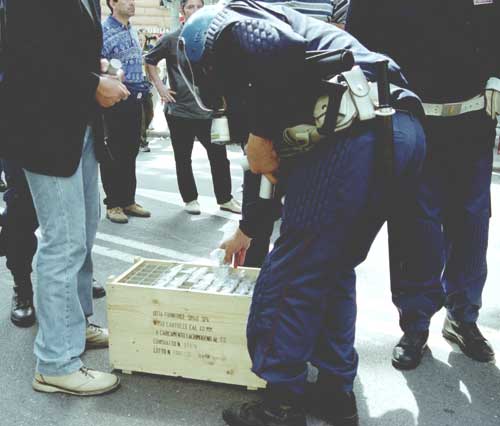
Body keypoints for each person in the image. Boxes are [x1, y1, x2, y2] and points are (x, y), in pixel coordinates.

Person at [178, 1, 426, 425]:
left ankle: (281, 406)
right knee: (330, 266)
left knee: (291, 273)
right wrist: (249, 228)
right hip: (401, 132)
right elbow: (270, 174)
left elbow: (277, 55)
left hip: (357, 135)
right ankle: (334, 393)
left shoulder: (232, 26)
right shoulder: (286, 83)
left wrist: (257, 136)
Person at [346, 0, 500, 370]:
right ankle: (415, 323)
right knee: (416, 225)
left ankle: (463, 317)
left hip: (474, 117)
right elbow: (358, 45)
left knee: (472, 222)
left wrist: (497, 73)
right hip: (410, 118)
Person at [3, 0, 128, 395]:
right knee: (65, 241)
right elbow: (28, 57)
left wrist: (99, 73)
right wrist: (93, 82)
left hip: (77, 127)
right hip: (44, 132)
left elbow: (61, 47)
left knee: (83, 234)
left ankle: (74, 328)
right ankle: (55, 363)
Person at [220, 0, 351, 267]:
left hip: (325, 119)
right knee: (262, 181)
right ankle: (254, 266)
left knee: (306, 239)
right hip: (283, 111)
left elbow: (336, 47)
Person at [145, 0, 241, 216]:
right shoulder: (171, 39)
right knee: (183, 157)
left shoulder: (212, 38)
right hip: (180, 112)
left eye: (199, 7)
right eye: (190, 7)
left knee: (219, 156)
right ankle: (190, 199)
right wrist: (161, 88)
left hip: (208, 110)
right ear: (182, 10)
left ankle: (225, 198)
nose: (195, 11)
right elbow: (150, 60)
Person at [101, 0, 152, 224]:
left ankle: (128, 200)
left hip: (135, 98)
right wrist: (116, 74)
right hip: (115, 99)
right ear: (112, 3)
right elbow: (99, 63)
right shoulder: (103, 31)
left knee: (131, 150)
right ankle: (113, 204)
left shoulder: (131, 28)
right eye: (127, 0)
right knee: (114, 152)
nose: (132, 4)